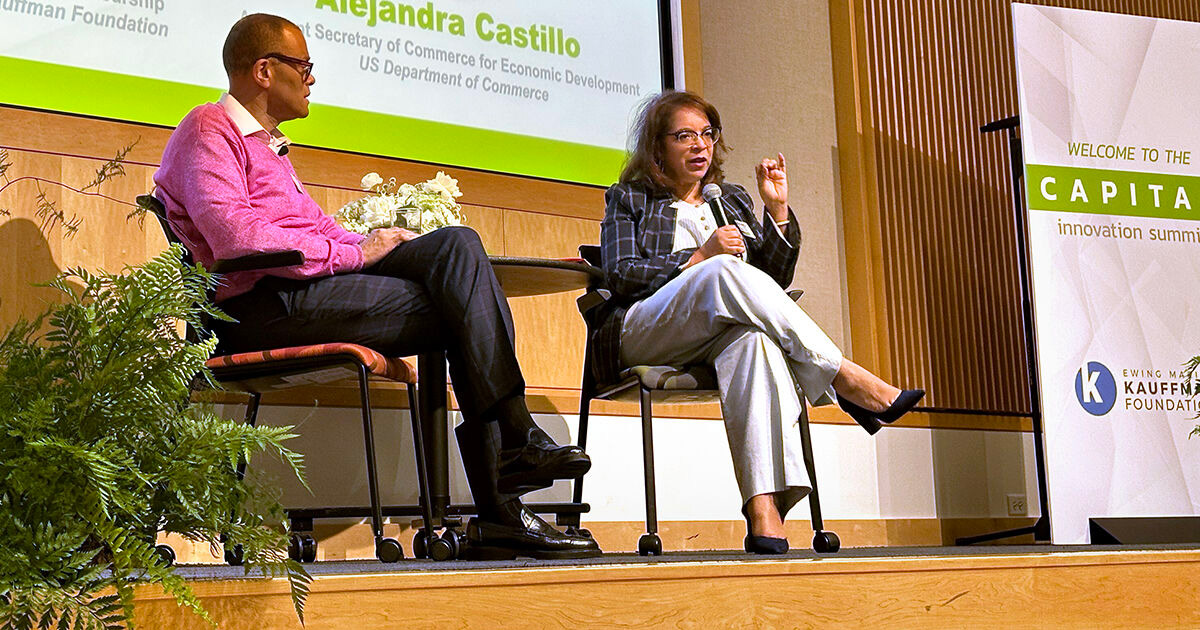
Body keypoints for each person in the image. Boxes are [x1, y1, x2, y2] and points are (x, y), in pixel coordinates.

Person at [153, 13, 600, 560]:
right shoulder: (208, 128)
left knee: (458, 247)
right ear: (265, 70)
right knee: (469, 307)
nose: (312, 78)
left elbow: (317, 232)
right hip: (255, 308)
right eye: (306, 66)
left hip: (301, 293)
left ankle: (515, 451)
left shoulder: (270, 146)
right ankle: (507, 485)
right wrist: (354, 253)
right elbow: (237, 241)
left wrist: (380, 241)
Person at [596, 91, 924, 554]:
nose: (700, 146)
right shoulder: (629, 197)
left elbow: (768, 283)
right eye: (684, 136)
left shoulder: (728, 199)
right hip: (645, 331)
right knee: (722, 271)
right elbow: (620, 274)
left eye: (707, 135)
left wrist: (777, 212)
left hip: (713, 336)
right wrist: (698, 256)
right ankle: (844, 376)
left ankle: (764, 509)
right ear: (657, 147)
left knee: (755, 341)